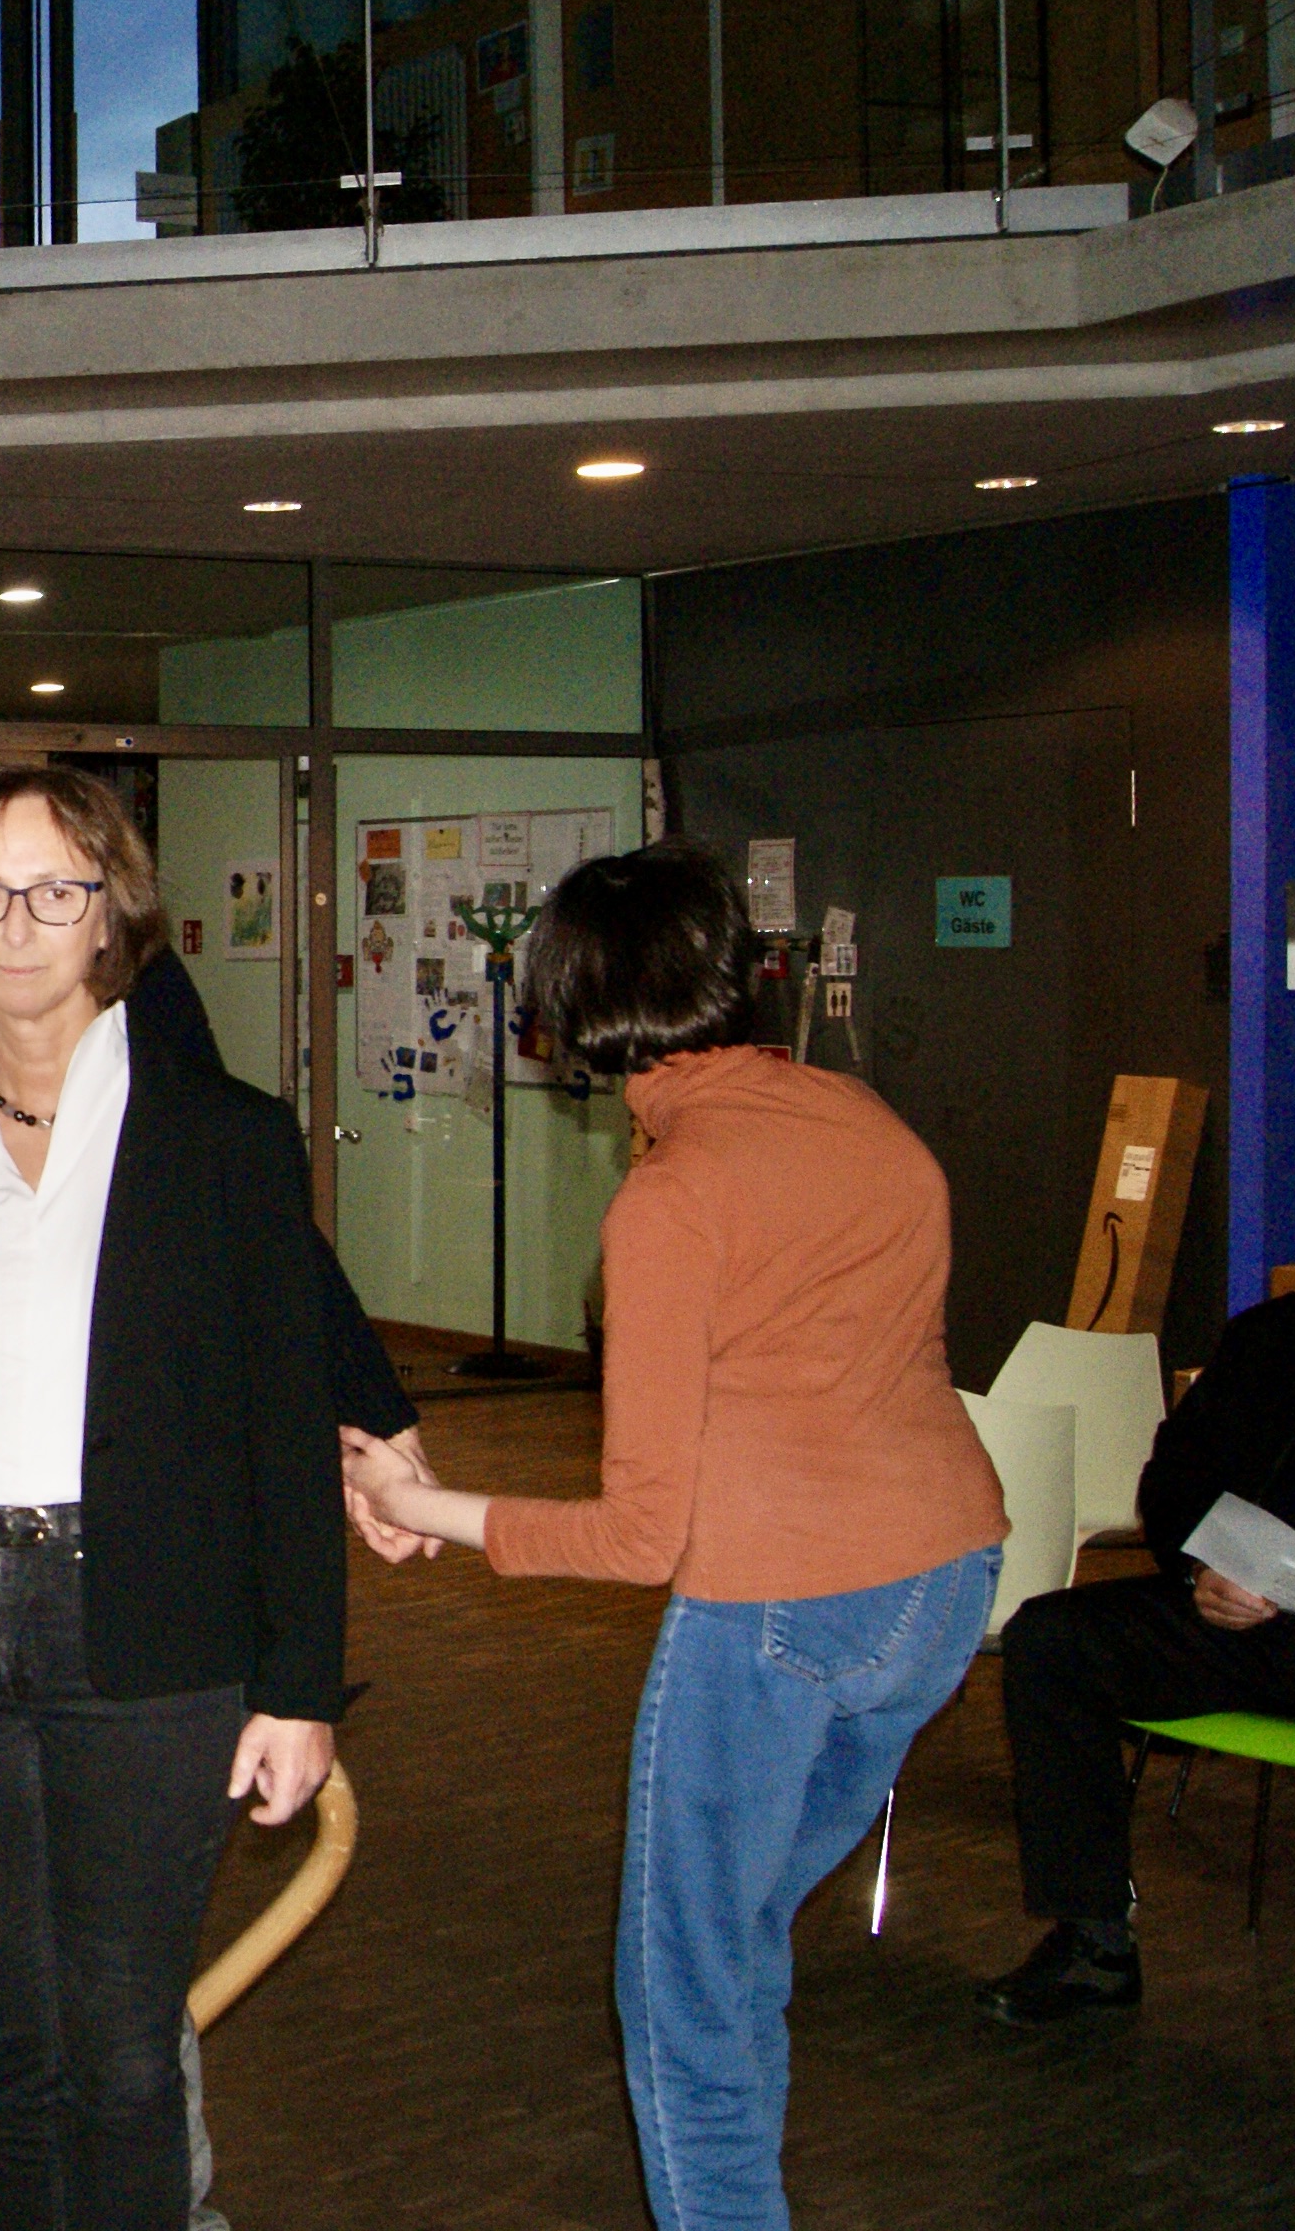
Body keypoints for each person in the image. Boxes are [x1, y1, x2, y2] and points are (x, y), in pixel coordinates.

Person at [0, 659, 432, 2231]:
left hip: (150, 1631)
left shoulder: (217, 1135)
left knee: (122, 2042)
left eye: (54, 893)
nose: (17, 924)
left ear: (114, 913)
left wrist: (307, 1665)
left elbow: (262, 1404)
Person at [344, 840, 1006, 2231]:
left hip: (779, 1613)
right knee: (739, 1929)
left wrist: (423, 1508)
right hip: (945, 1586)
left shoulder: (670, 1202)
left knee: (685, 1984)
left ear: (571, 1011)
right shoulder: (860, 1118)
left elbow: (644, 1537)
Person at [978, 1283, 1295, 2023]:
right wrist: (1204, 1570)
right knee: (1052, 1641)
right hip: (1247, 1617)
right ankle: (1095, 1943)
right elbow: (1171, 1481)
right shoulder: (1271, 1337)